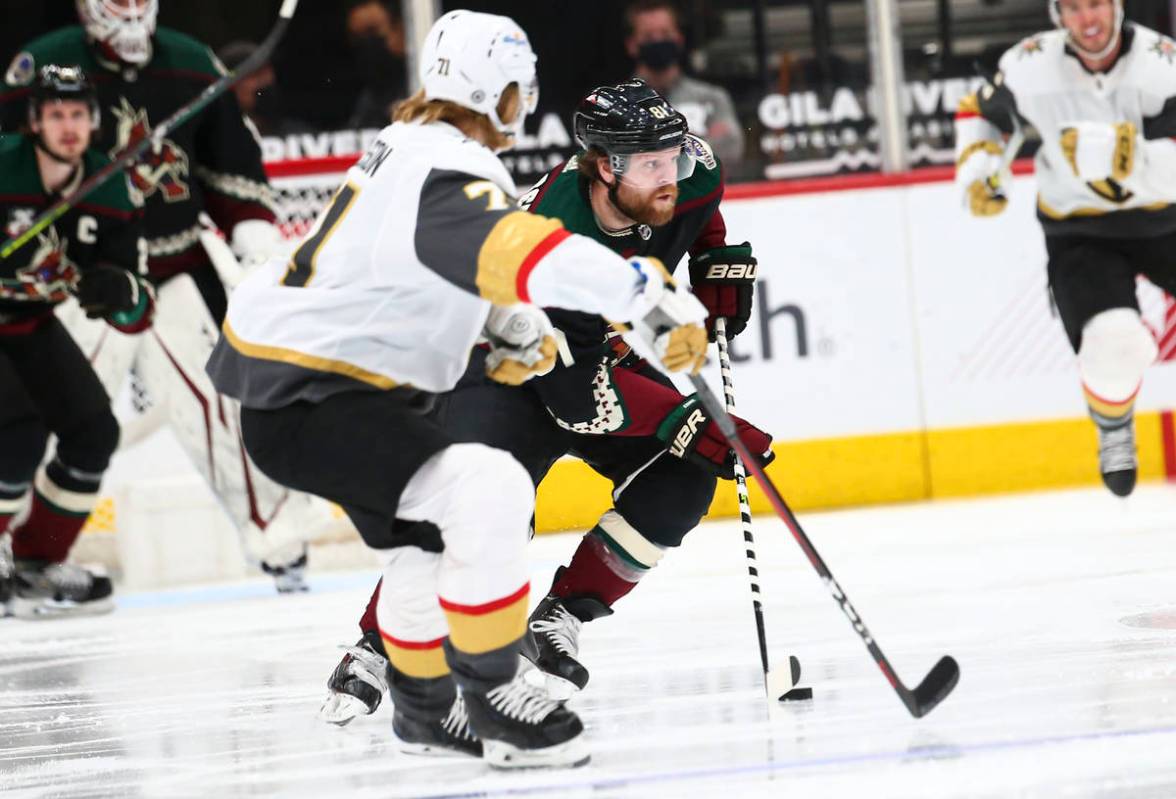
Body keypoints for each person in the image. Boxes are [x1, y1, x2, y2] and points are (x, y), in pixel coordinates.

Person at [206, 10, 709, 769]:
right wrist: (640, 291)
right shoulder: (448, 165)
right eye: (520, 87)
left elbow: (428, 259)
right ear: (501, 91)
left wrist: (508, 324)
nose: (527, 102)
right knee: (489, 488)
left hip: (303, 389)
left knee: (426, 535)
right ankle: (494, 695)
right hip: (314, 392)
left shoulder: (410, 148)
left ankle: (425, 708)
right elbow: (508, 245)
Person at [318, 79, 770, 721]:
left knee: (686, 477)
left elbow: (701, 209)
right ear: (605, 169)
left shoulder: (688, 175)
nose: (670, 175)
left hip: (592, 355)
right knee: (478, 511)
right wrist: (683, 417)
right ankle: (377, 644)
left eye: (673, 157)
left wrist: (716, 256)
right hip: (502, 367)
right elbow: (576, 395)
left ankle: (562, 616)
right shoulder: (555, 233)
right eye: (650, 165)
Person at [1, 0, 329, 590]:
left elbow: (232, 163)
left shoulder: (189, 61)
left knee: (224, 406)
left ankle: (279, 544)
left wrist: (254, 245)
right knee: (40, 418)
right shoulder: (46, 63)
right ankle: (28, 555)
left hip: (176, 268)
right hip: (78, 280)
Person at [955, 0, 1176, 497]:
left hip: (1168, 218)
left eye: (1096, 3)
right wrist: (979, 165)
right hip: (1080, 230)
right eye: (1073, 8)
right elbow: (980, 111)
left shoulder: (1164, 66)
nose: (1087, 19)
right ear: (1057, 14)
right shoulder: (1030, 64)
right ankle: (1115, 425)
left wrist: (1129, 157)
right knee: (1114, 346)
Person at [0, 65, 153, 617]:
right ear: (34, 122)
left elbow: (140, 311)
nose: (68, 127)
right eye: (55, 114)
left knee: (93, 432)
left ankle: (35, 565)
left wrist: (119, 292)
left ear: (93, 122)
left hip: (30, 322)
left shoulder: (110, 188)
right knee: (18, 425)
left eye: (78, 115)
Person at [624, 0, 744, 166]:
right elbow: (613, 161)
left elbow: (730, 149)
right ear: (632, 45)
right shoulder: (617, 104)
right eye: (648, 36)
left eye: (665, 34)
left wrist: (650, 151)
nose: (658, 41)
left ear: (679, 39)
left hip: (700, 190)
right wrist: (697, 142)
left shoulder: (712, 98)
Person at [345, 0, 408, 129]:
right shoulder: (370, 99)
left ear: (400, 28)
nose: (367, 44)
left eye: (372, 32)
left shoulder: (425, 85)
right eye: (358, 38)